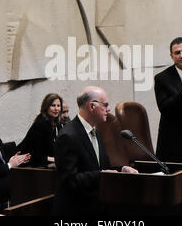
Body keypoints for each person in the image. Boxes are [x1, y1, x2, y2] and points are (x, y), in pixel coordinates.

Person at [52, 86, 138, 216]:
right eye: (105, 105)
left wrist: (122, 169)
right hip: (76, 210)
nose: (108, 109)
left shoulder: (95, 131)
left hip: (97, 206)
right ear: (92, 106)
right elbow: (70, 180)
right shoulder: (68, 136)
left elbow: (101, 167)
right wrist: (103, 174)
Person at [16, 93, 63, 168]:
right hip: (27, 164)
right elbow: (36, 154)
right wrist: (55, 159)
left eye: (58, 106)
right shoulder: (41, 124)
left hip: (42, 161)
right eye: (53, 105)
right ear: (46, 107)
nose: (56, 109)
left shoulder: (57, 124)